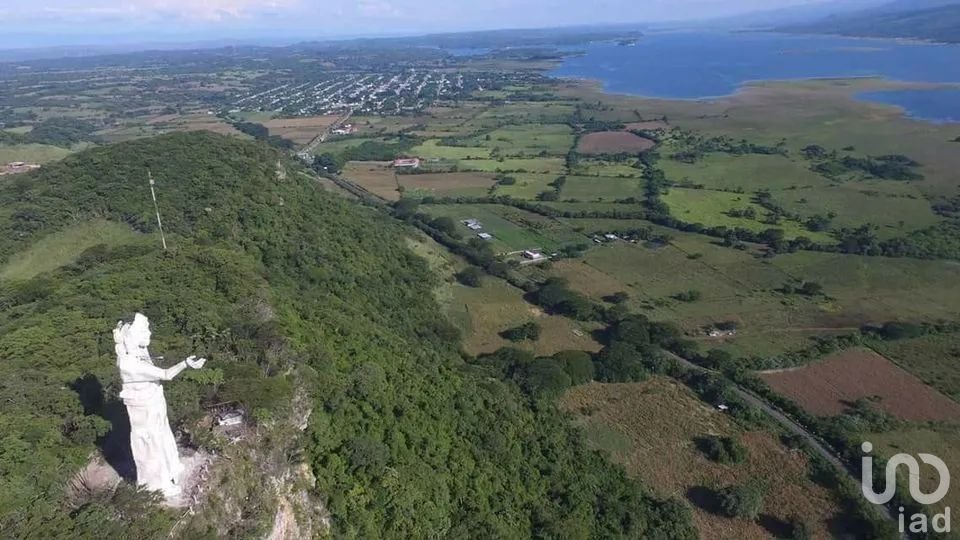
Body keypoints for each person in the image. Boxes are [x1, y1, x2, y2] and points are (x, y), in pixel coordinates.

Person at [113, 313, 206, 498]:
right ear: (133, 336)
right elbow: (166, 374)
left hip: (153, 400)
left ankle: (173, 467)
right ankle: (158, 484)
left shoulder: (139, 352)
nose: (149, 332)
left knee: (163, 434)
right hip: (143, 407)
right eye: (144, 330)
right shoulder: (129, 364)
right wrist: (185, 363)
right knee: (151, 444)